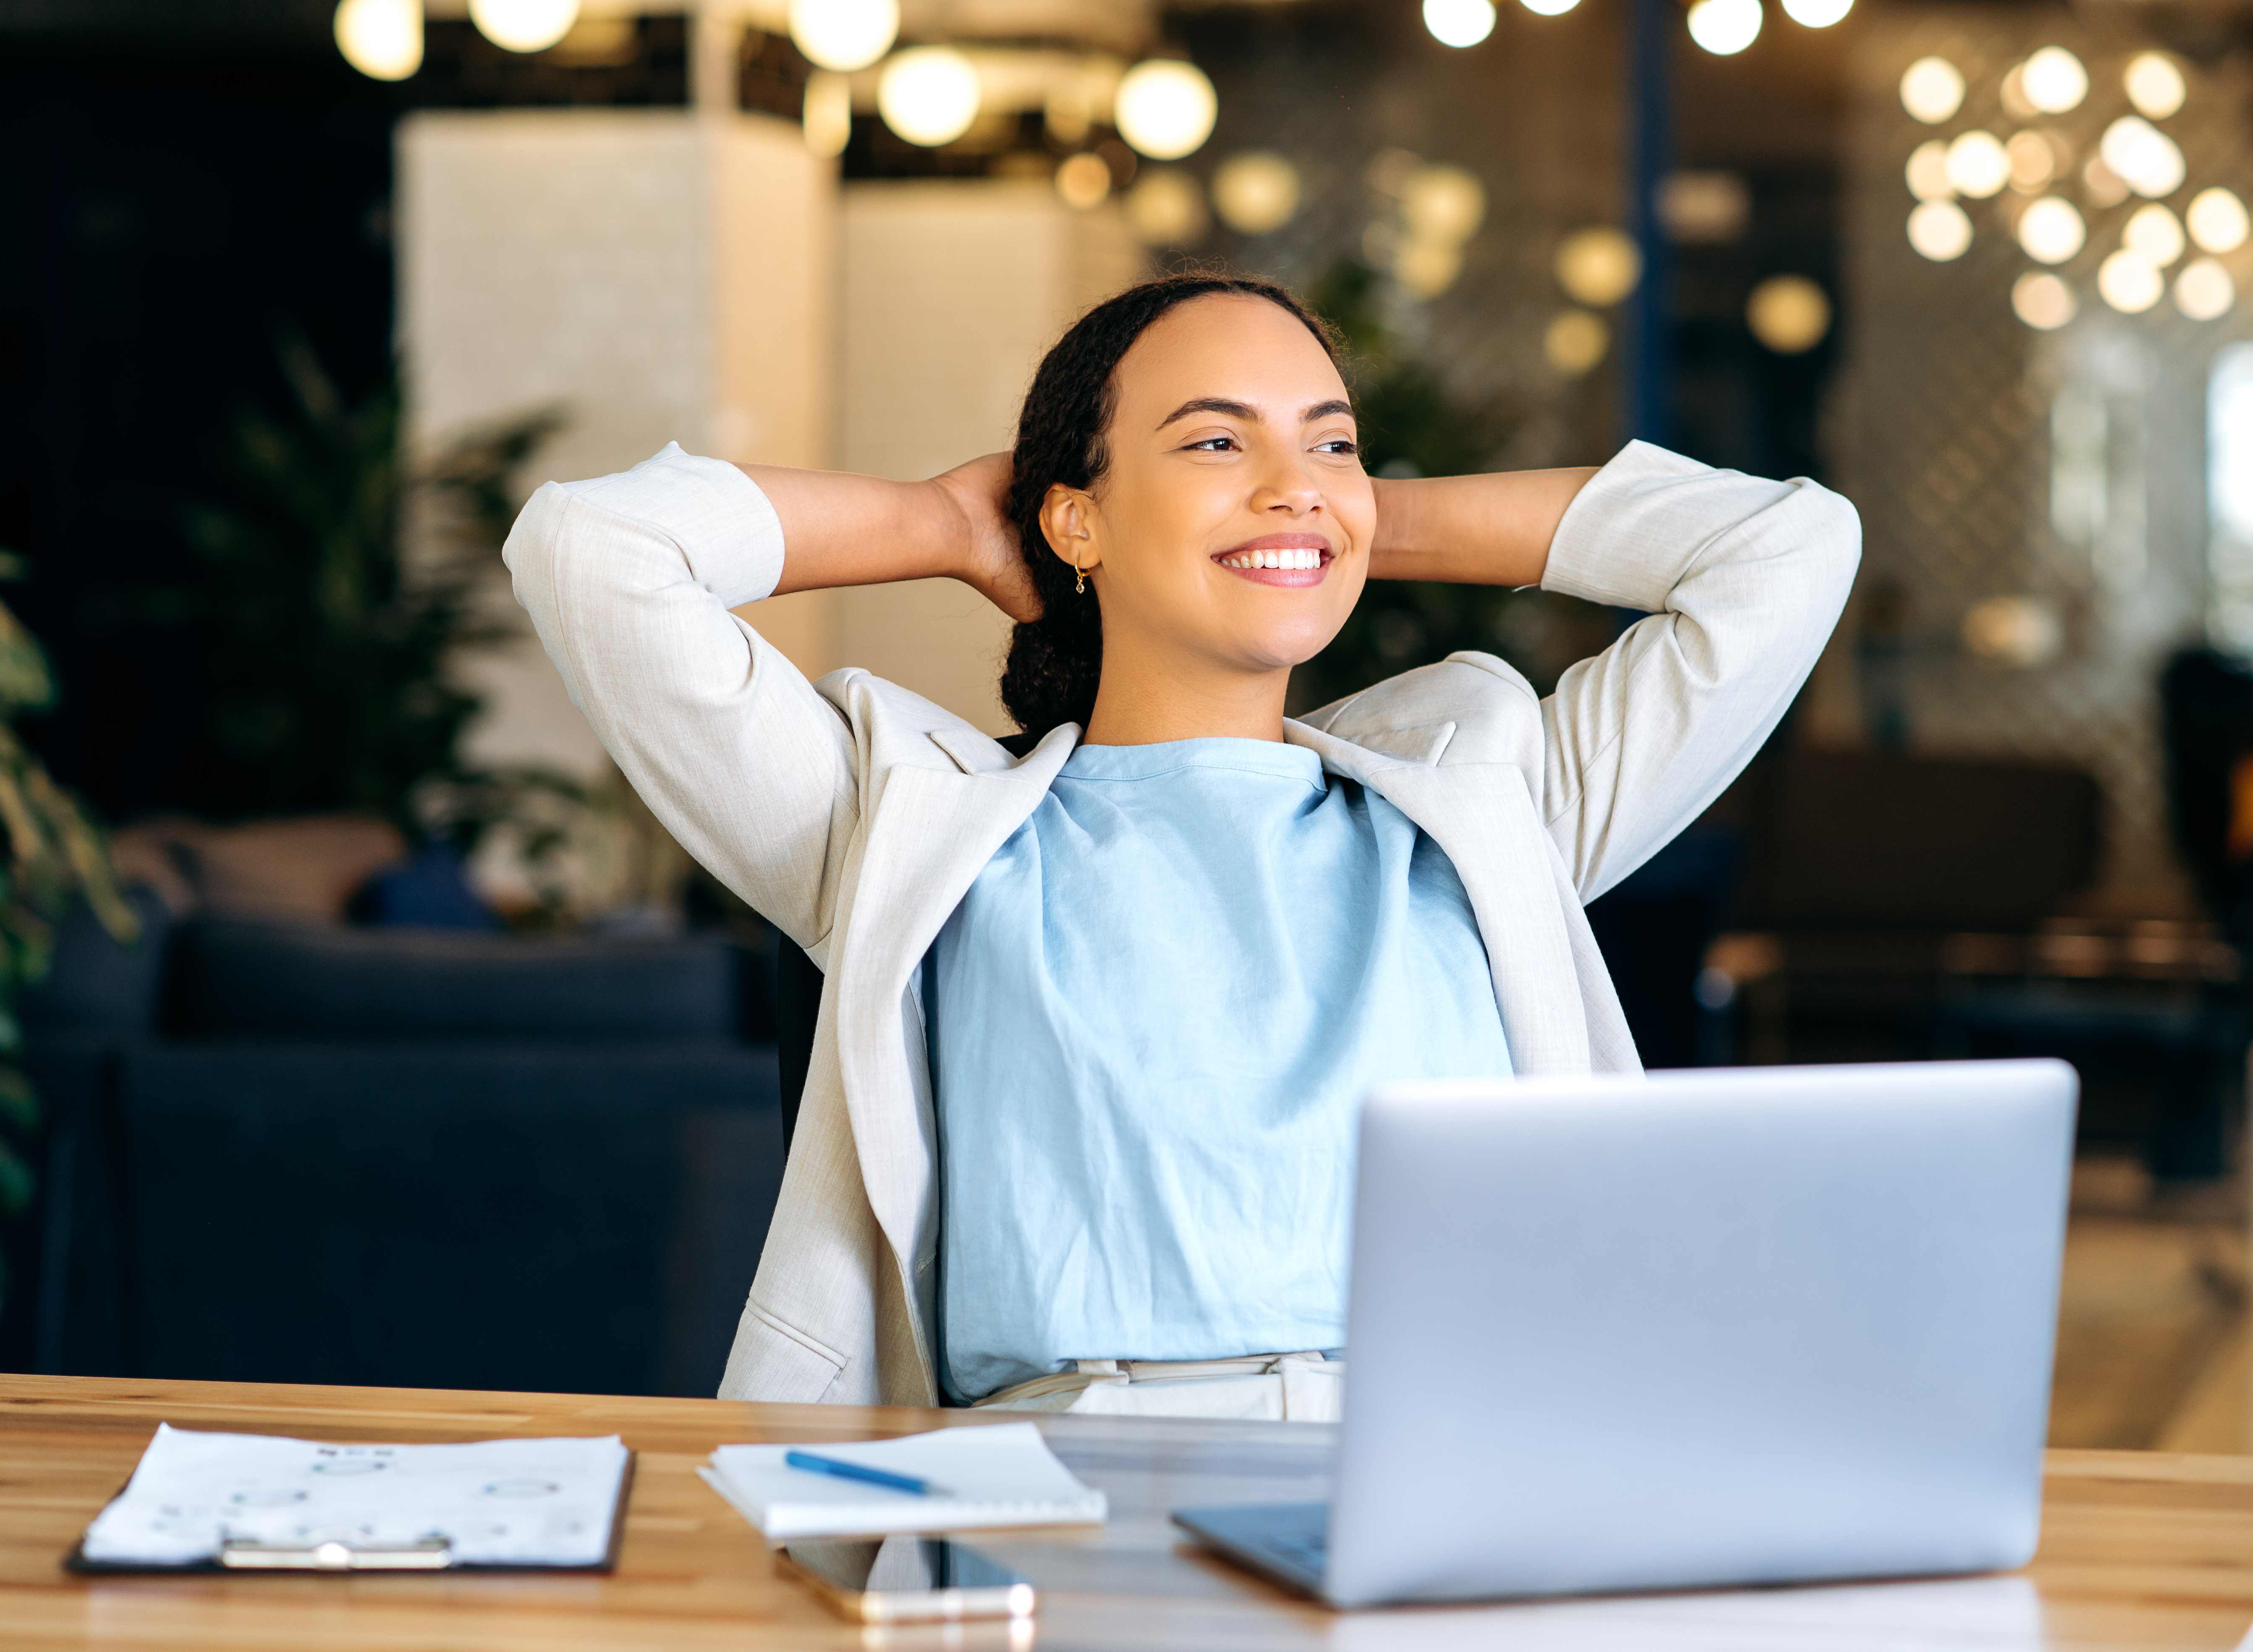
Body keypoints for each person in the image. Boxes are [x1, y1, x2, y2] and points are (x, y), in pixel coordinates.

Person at [504, 272, 1858, 1419]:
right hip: (1062, 1494)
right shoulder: (901, 828)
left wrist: (1342, 523)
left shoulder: (1495, 806)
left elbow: (1784, 548)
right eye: (1216, 443)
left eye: (1328, 440)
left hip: (1448, 1472)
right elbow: (593, 549)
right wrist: (945, 524)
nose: (1292, 480)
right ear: (1073, 517)